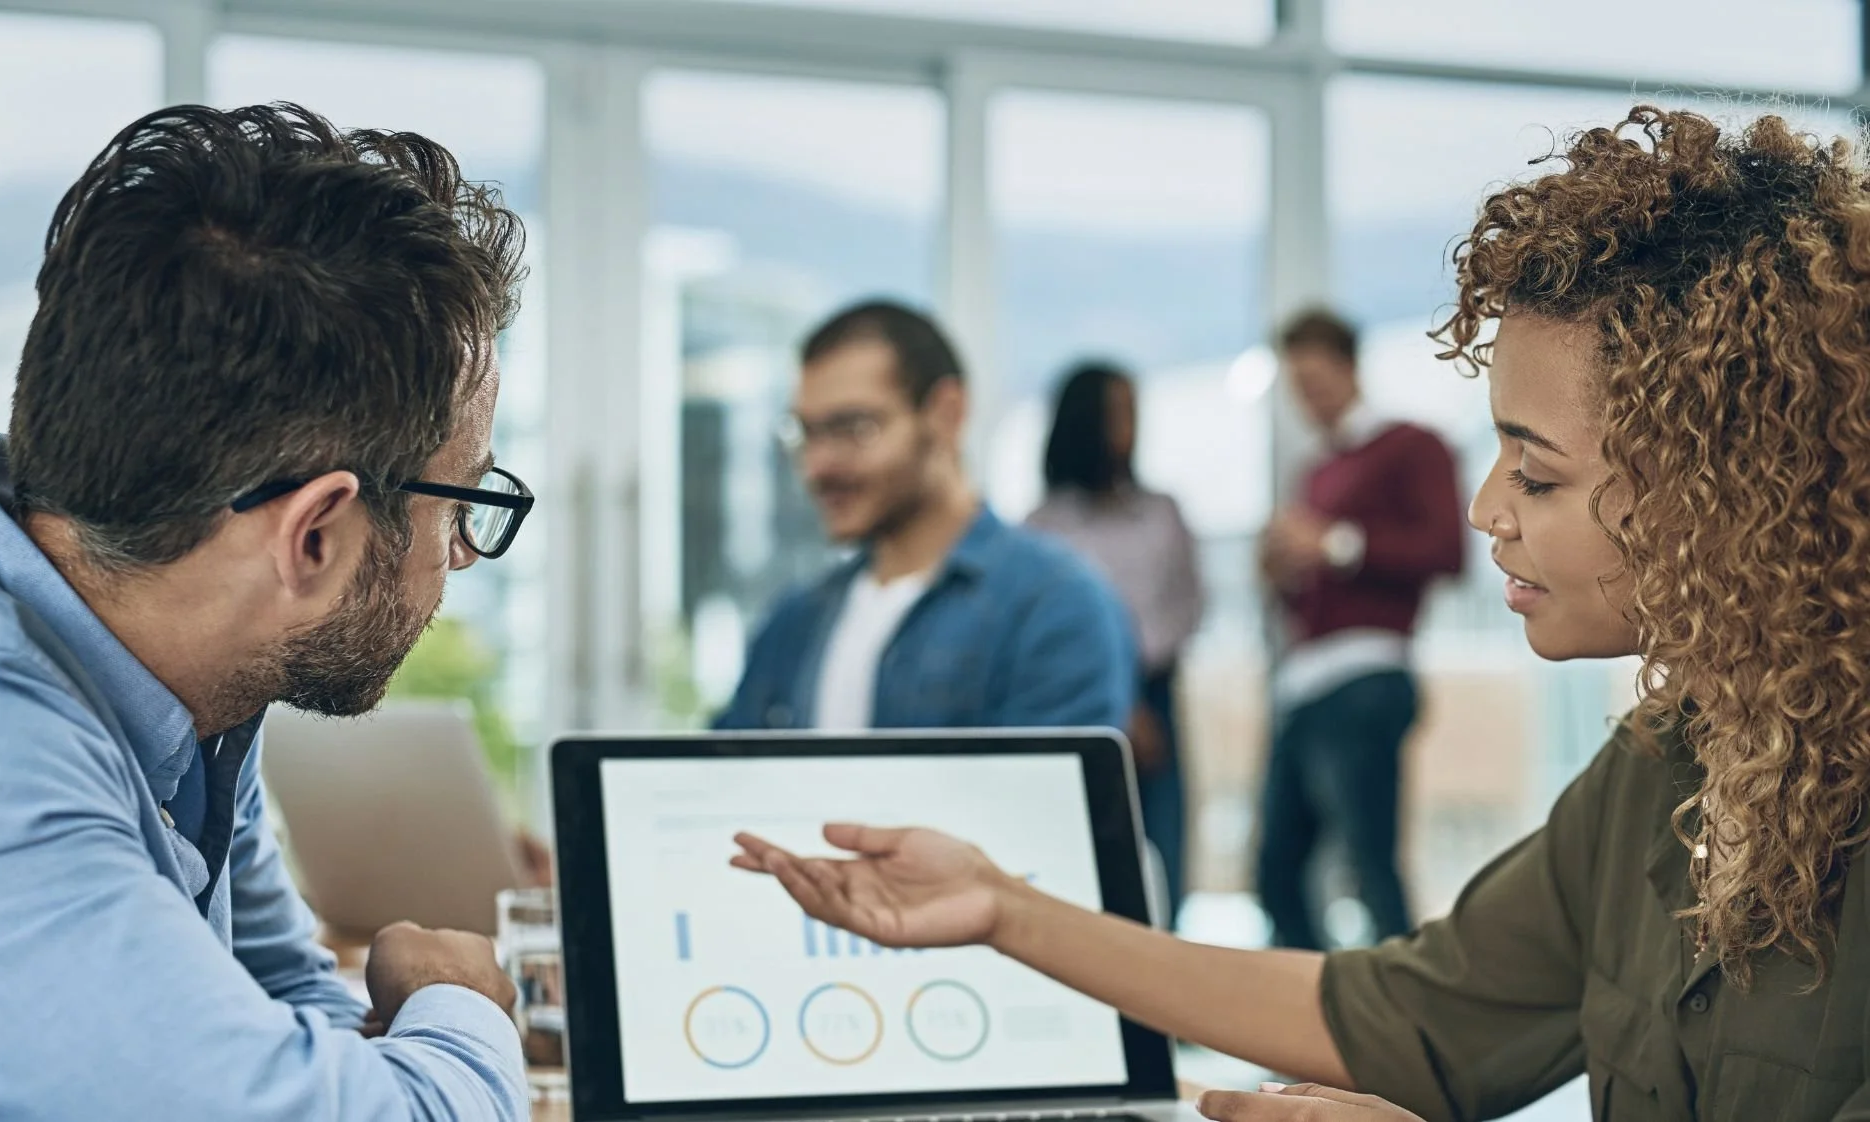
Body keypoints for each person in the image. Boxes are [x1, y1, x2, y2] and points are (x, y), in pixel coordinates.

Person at [731, 107, 1870, 1122]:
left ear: (1730, 490)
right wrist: (1002, 908)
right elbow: (1397, 1014)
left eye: (1534, 476)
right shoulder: (1665, 768)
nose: (1485, 511)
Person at [0, 104, 537, 1120]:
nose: (460, 558)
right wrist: (462, 1006)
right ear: (313, 538)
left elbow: (283, 1015)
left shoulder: (169, 683)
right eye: (464, 506)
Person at [714, 300, 1134, 734]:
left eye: (852, 427)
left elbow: (1045, 799)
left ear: (945, 415)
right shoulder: (794, 623)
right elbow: (724, 787)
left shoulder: (1052, 606)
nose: (817, 466)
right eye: (806, 433)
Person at [1257, 309, 1465, 949]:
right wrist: (1284, 569)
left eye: (1316, 378)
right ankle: (1312, 1014)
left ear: (1349, 367)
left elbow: (1446, 551)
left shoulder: (1409, 445)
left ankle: (1399, 1023)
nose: (1308, 397)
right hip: (1305, 681)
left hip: (1365, 674)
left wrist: (1336, 546)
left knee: (1369, 863)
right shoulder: (1315, 473)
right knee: (1275, 870)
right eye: (1297, 383)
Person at [1027, 360, 1205, 920]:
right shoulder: (1043, 528)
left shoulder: (1162, 513)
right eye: (1117, 413)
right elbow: (1043, 632)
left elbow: (1187, 604)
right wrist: (1114, 694)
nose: (1128, 427)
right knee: (1080, 861)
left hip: (1156, 694)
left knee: (1164, 855)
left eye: (1133, 412)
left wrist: (1135, 686)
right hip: (1074, 704)